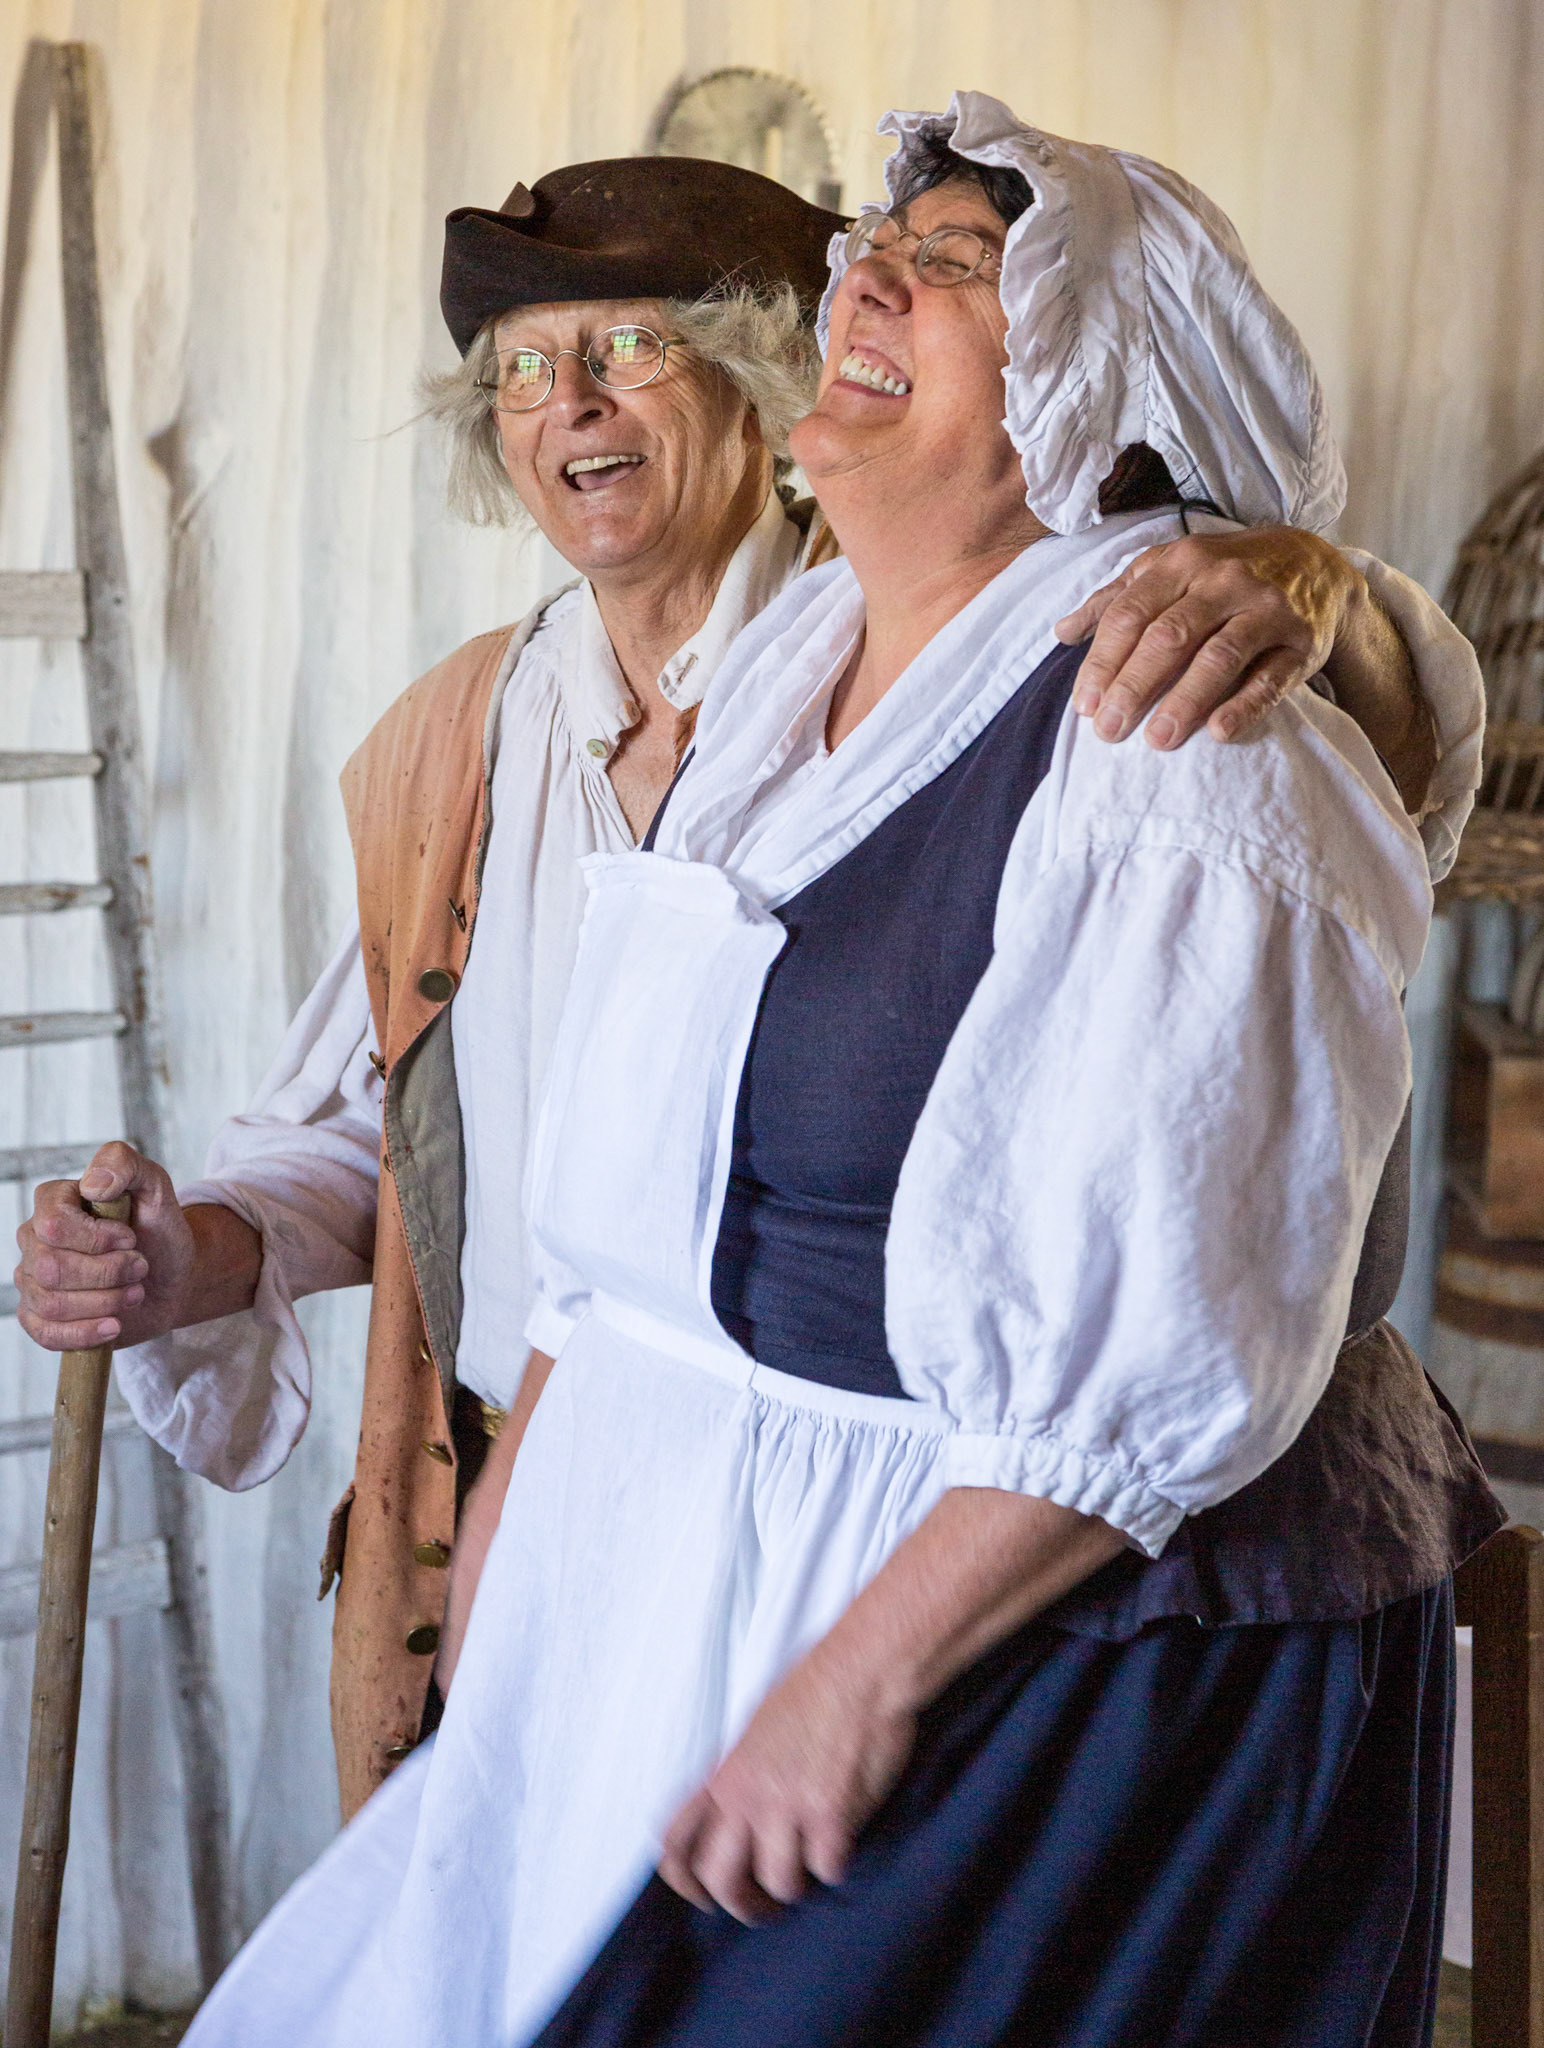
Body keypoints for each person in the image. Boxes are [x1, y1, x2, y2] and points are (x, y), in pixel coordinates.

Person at [173, 94, 1498, 2048]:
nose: (575, 408)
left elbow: (1368, 730)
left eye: (629, 346)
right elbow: (530, 1210)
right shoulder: (696, 717)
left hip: (1024, 1607)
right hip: (650, 1575)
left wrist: (1304, 575)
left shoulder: (1172, 693)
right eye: (529, 370)